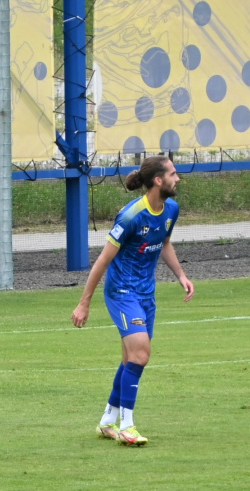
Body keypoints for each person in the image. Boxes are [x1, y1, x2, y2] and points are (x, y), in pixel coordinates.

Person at [72, 155, 194, 446]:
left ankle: (107, 420)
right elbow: (102, 261)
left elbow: (164, 242)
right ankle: (127, 425)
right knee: (140, 354)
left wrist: (181, 275)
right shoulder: (130, 216)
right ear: (158, 180)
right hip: (122, 293)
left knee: (131, 358)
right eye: (173, 174)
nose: (178, 179)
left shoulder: (171, 209)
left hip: (145, 294)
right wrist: (84, 302)